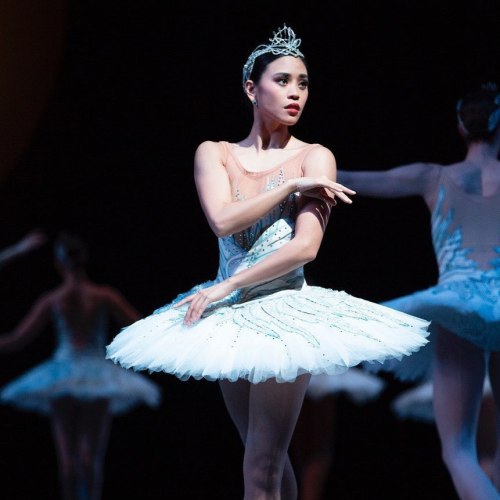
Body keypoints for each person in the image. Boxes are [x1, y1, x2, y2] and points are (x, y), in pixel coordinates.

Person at [106, 25, 429, 499]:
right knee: (264, 462)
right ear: (251, 89)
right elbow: (221, 220)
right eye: (282, 81)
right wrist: (286, 187)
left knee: (261, 465)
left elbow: (304, 248)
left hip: (284, 315)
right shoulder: (214, 153)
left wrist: (223, 288)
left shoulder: (316, 157)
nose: (296, 92)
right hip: (230, 321)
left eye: (303, 83)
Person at [337, 83, 500, 499]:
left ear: (462, 127)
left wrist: (286, 169)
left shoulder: (434, 177)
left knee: (458, 450)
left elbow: (353, 180)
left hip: (459, 307)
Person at [0, 232, 161, 500]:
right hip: (92, 374)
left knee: (71, 462)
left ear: (59, 264)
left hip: (66, 372)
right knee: (87, 459)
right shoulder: (99, 295)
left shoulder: (60, 298)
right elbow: (140, 326)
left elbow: (17, 339)